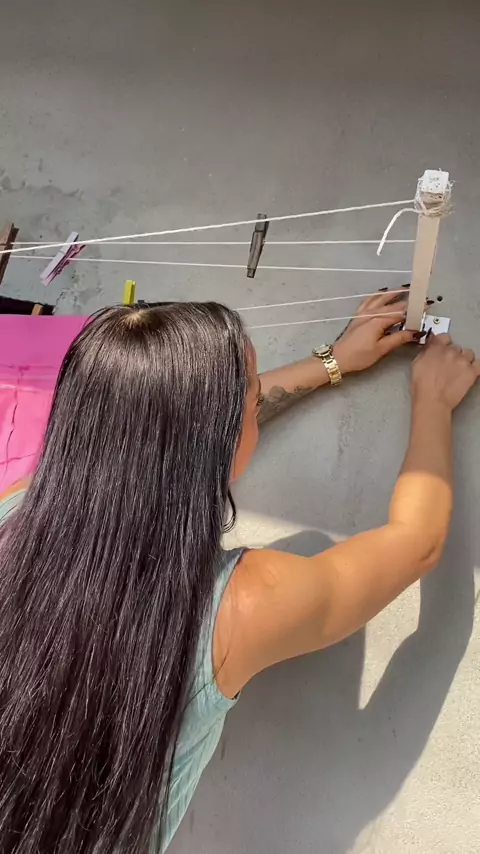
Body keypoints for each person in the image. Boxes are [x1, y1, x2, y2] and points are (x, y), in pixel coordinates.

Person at [0, 291, 477, 854]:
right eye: (251, 398)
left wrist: (332, 361)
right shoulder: (241, 606)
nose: (257, 400)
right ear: (217, 440)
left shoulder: (16, 508)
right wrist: (432, 400)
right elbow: (416, 543)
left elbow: (167, 425)